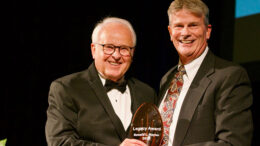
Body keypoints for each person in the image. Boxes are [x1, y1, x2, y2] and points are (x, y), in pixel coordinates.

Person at [45, 17, 156, 146]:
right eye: (108, 47)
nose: (116, 55)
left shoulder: (147, 93)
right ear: (93, 50)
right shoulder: (66, 89)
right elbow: (59, 142)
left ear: (132, 53)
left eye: (124, 49)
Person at [157, 0, 253, 146]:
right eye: (179, 26)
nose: (185, 33)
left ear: (207, 31)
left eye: (193, 25)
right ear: (170, 32)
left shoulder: (230, 76)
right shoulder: (167, 79)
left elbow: (233, 143)